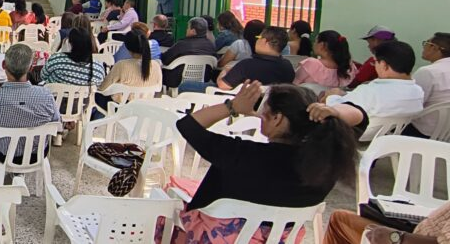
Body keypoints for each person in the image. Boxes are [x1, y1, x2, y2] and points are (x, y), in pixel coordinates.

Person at [173, 82, 358, 242]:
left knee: (166, 205)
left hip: (212, 238)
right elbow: (361, 116)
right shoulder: (327, 164)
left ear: (277, 118)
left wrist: (233, 106)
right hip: (278, 239)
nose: (260, 115)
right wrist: (332, 111)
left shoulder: (241, 153)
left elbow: (188, 125)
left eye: (264, 110)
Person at [0, 43, 61, 182]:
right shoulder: (46, 95)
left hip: (3, 153)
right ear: (31, 68)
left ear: (3, 65)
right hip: (37, 154)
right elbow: (57, 124)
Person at [322, 41, 423, 120]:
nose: (374, 66)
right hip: (385, 135)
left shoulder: (371, 91)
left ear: (384, 65)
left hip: (354, 135)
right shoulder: (418, 91)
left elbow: (334, 110)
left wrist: (333, 96)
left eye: (375, 62)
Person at [98, 31, 162, 119]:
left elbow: (103, 88)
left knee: (96, 96)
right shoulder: (155, 65)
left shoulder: (122, 65)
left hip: (122, 107)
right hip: (145, 106)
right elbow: (159, 88)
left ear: (127, 47)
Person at [322, 201, 450, 244]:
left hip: (410, 240)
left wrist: (397, 238)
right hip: (417, 230)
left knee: (340, 225)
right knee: (341, 219)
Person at [216, 26, 295, 90]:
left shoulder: (246, 65)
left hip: (243, 107)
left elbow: (223, 85)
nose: (256, 40)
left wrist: (224, 71)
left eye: (258, 37)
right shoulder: (287, 66)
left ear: (264, 41)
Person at [405, 33, 450, 138]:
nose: (424, 47)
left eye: (426, 43)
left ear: (433, 47)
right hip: (447, 134)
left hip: (423, 132)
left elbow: (411, 104)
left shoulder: (428, 72)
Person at [42, 29, 107, 91]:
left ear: (70, 43)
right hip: (85, 102)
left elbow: (43, 76)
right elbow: (99, 85)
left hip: (54, 100)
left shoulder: (56, 59)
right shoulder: (98, 67)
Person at [161, 17, 217, 89]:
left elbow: (165, 59)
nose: (186, 30)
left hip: (177, 80)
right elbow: (215, 62)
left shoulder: (182, 44)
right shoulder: (211, 45)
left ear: (193, 31)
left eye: (188, 28)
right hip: (204, 79)